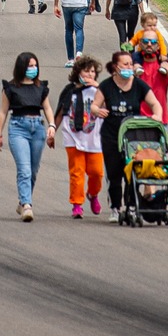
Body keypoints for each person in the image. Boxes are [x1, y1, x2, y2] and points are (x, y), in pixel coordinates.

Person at [94, 48, 165, 222]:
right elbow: (95, 105)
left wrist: (156, 116)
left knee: (133, 171)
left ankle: (132, 205)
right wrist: (98, 110)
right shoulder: (106, 85)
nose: (129, 67)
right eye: (125, 64)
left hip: (133, 136)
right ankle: (115, 208)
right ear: (115, 67)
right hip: (111, 134)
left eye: (131, 64)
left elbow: (156, 104)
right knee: (114, 173)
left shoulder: (139, 85)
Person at [0, 50, 57, 220]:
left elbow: (47, 108)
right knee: (24, 169)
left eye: (35, 65)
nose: (33, 68)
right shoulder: (11, 87)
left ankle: (23, 200)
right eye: (30, 66)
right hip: (18, 128)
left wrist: (52, 125)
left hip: (37, 128)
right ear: (22, 67)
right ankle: (27, 205)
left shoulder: (40, 87)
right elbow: (3, 112)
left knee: (33, 170)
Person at [57, 54, 107, 218]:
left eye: (93, 72)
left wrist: (100, 88)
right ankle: (77, 204)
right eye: (86, 72)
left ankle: (93, 194)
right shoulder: (69, 91)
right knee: (77, 172)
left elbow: (110, 105)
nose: (90, 75)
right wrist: (51, 130)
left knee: (97, 172)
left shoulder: (99, 91)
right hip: (72, 135)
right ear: (78, 73)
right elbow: (60, 112)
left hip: (94, 137)